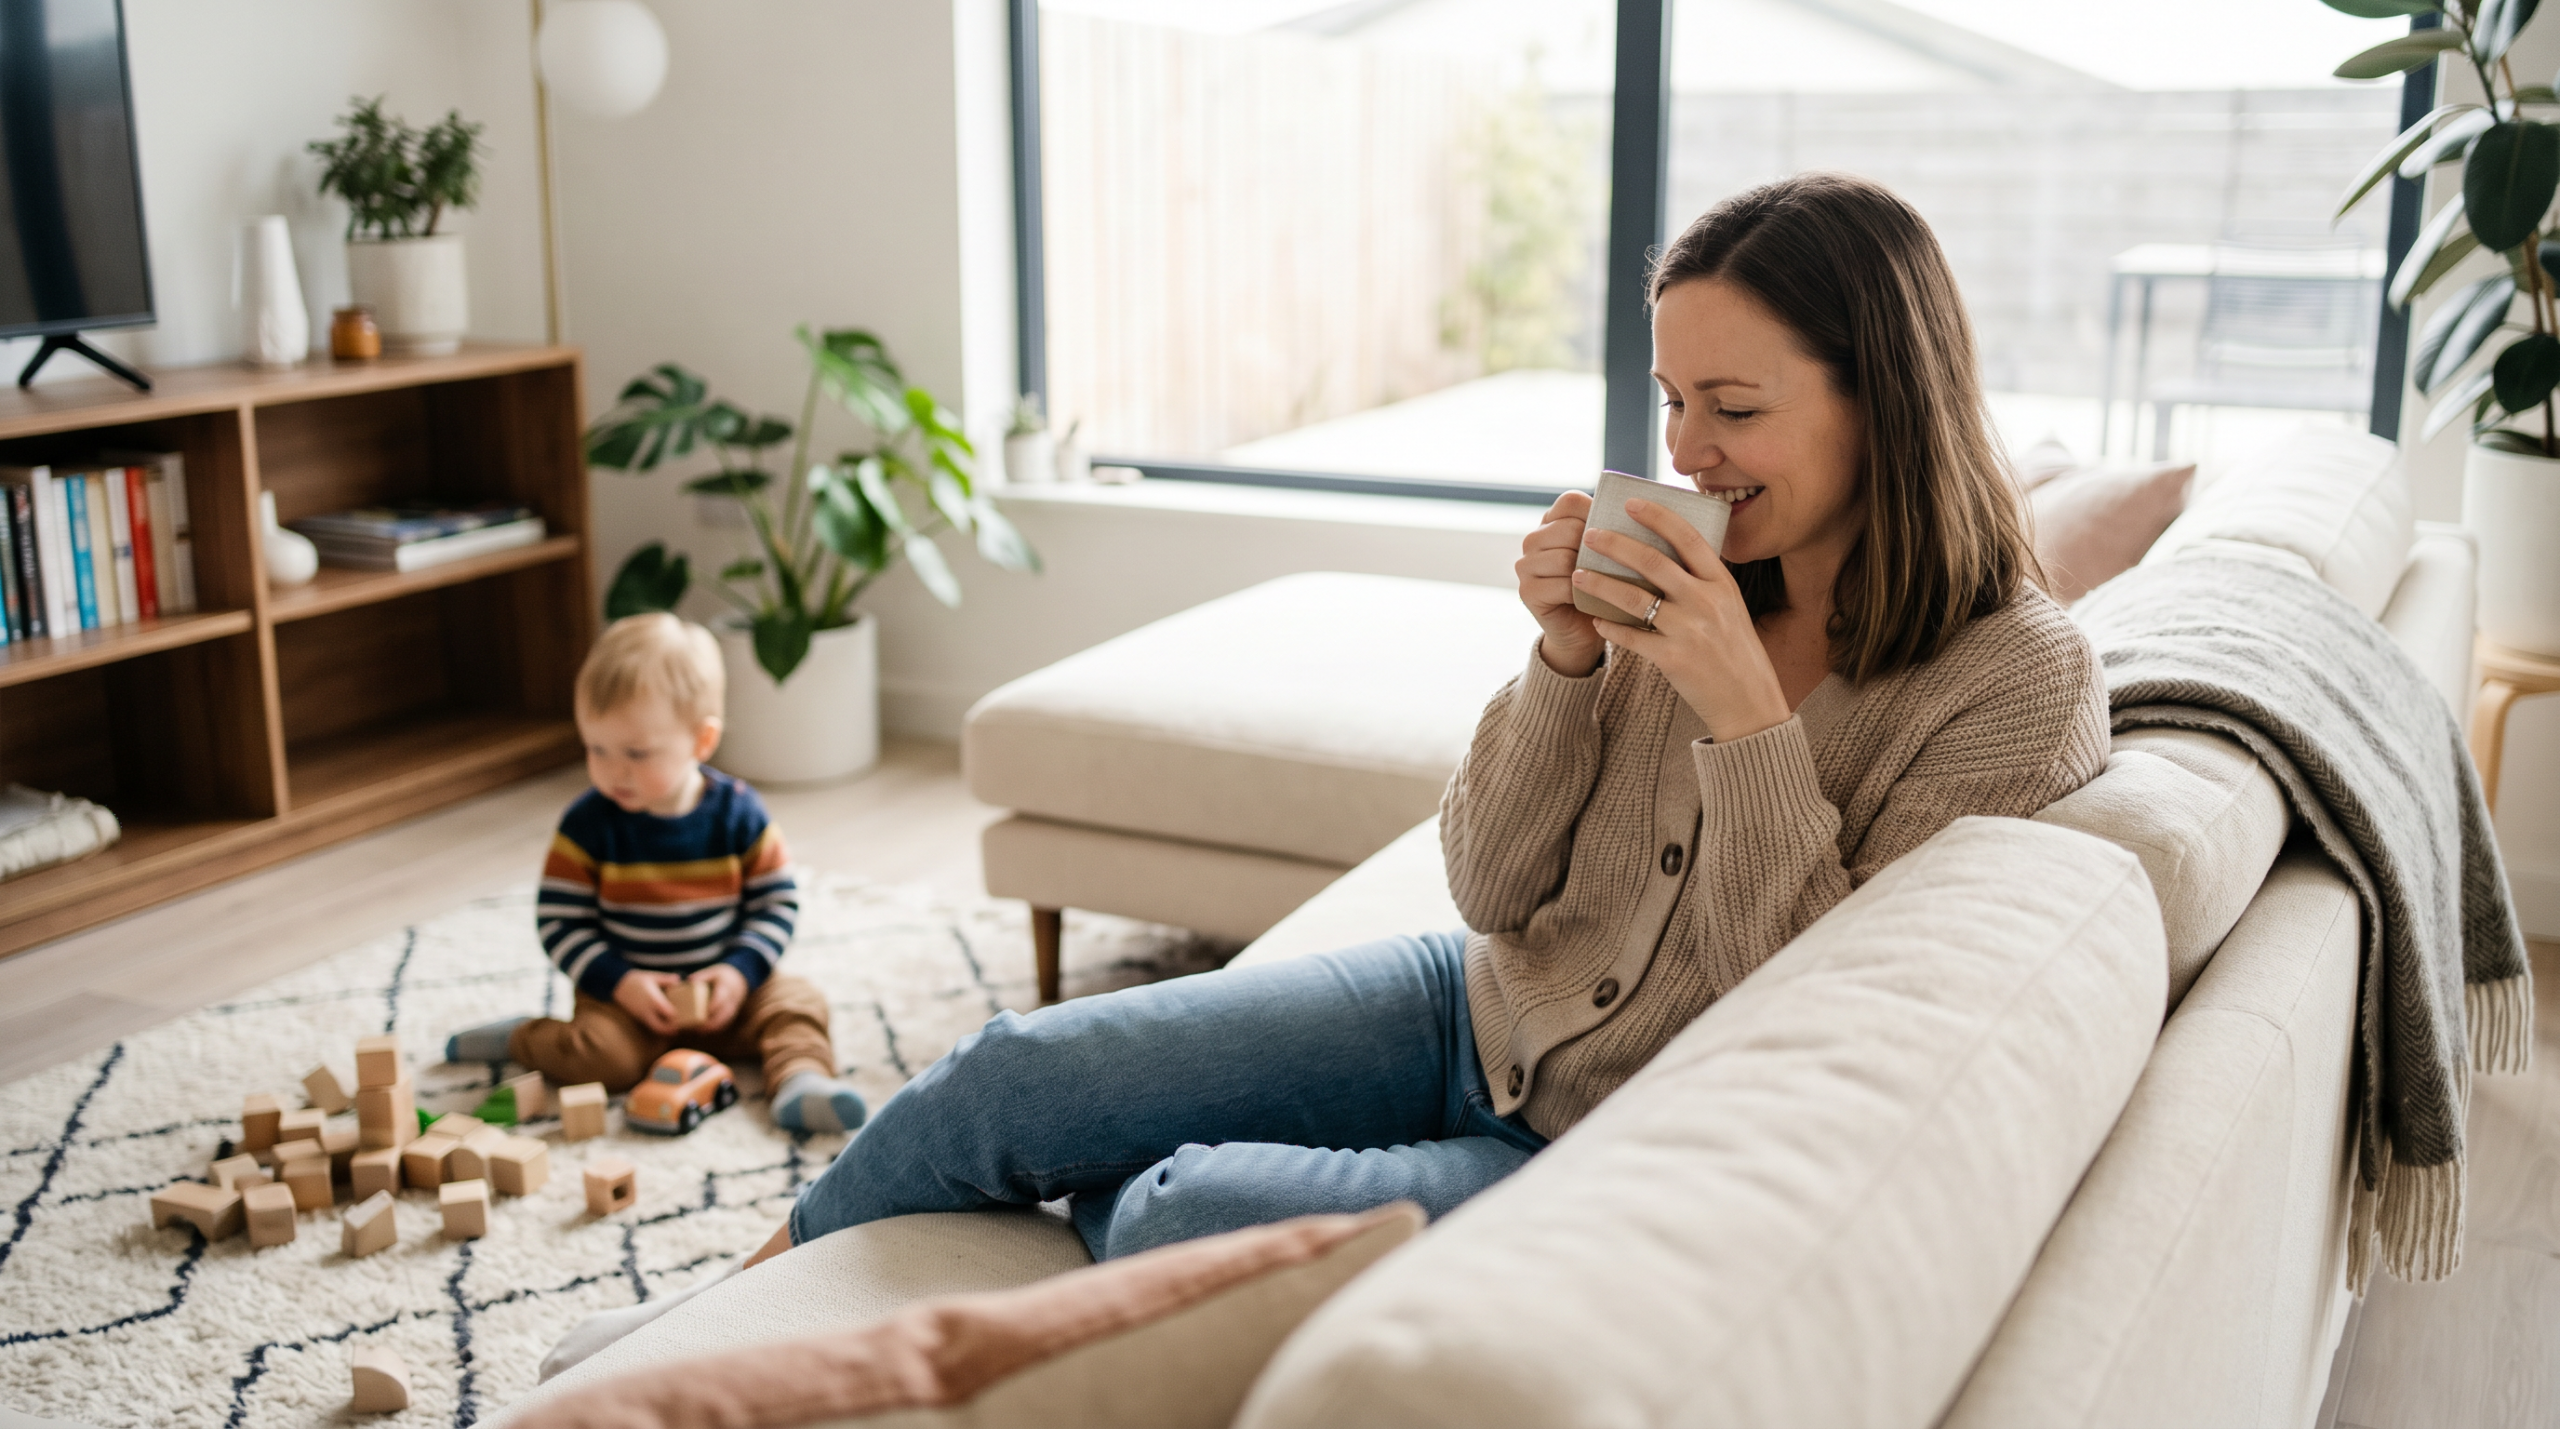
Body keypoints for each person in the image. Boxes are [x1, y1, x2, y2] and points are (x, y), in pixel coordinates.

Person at [555, 172, 2112, 1372]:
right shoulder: (1695, 576)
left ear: (1881, 393)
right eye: (1669, 400)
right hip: (1477, 997)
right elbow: (1495, 885)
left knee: (1175, 1200)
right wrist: (1565, 662)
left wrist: (1743, 723)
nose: (1686, 451)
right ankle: (719, 1315)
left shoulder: (2014, 684)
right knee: (1014, 1074)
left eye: (1736, 407)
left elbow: (1823, 1025)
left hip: (1618, 1131)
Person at [443, 612, 866, 1136]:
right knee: (601, 1061)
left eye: (636, 753)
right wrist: (621, 984)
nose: (612, 770)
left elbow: (777, 903)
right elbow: (560, 924)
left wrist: (738, 973)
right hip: (627, 1005)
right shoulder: (587, 825)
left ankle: (801, 1082)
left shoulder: (740, 812)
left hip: (729, 997)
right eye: (596, 749)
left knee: (799, 1004)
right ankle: (523, 1040)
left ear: (701, 741)